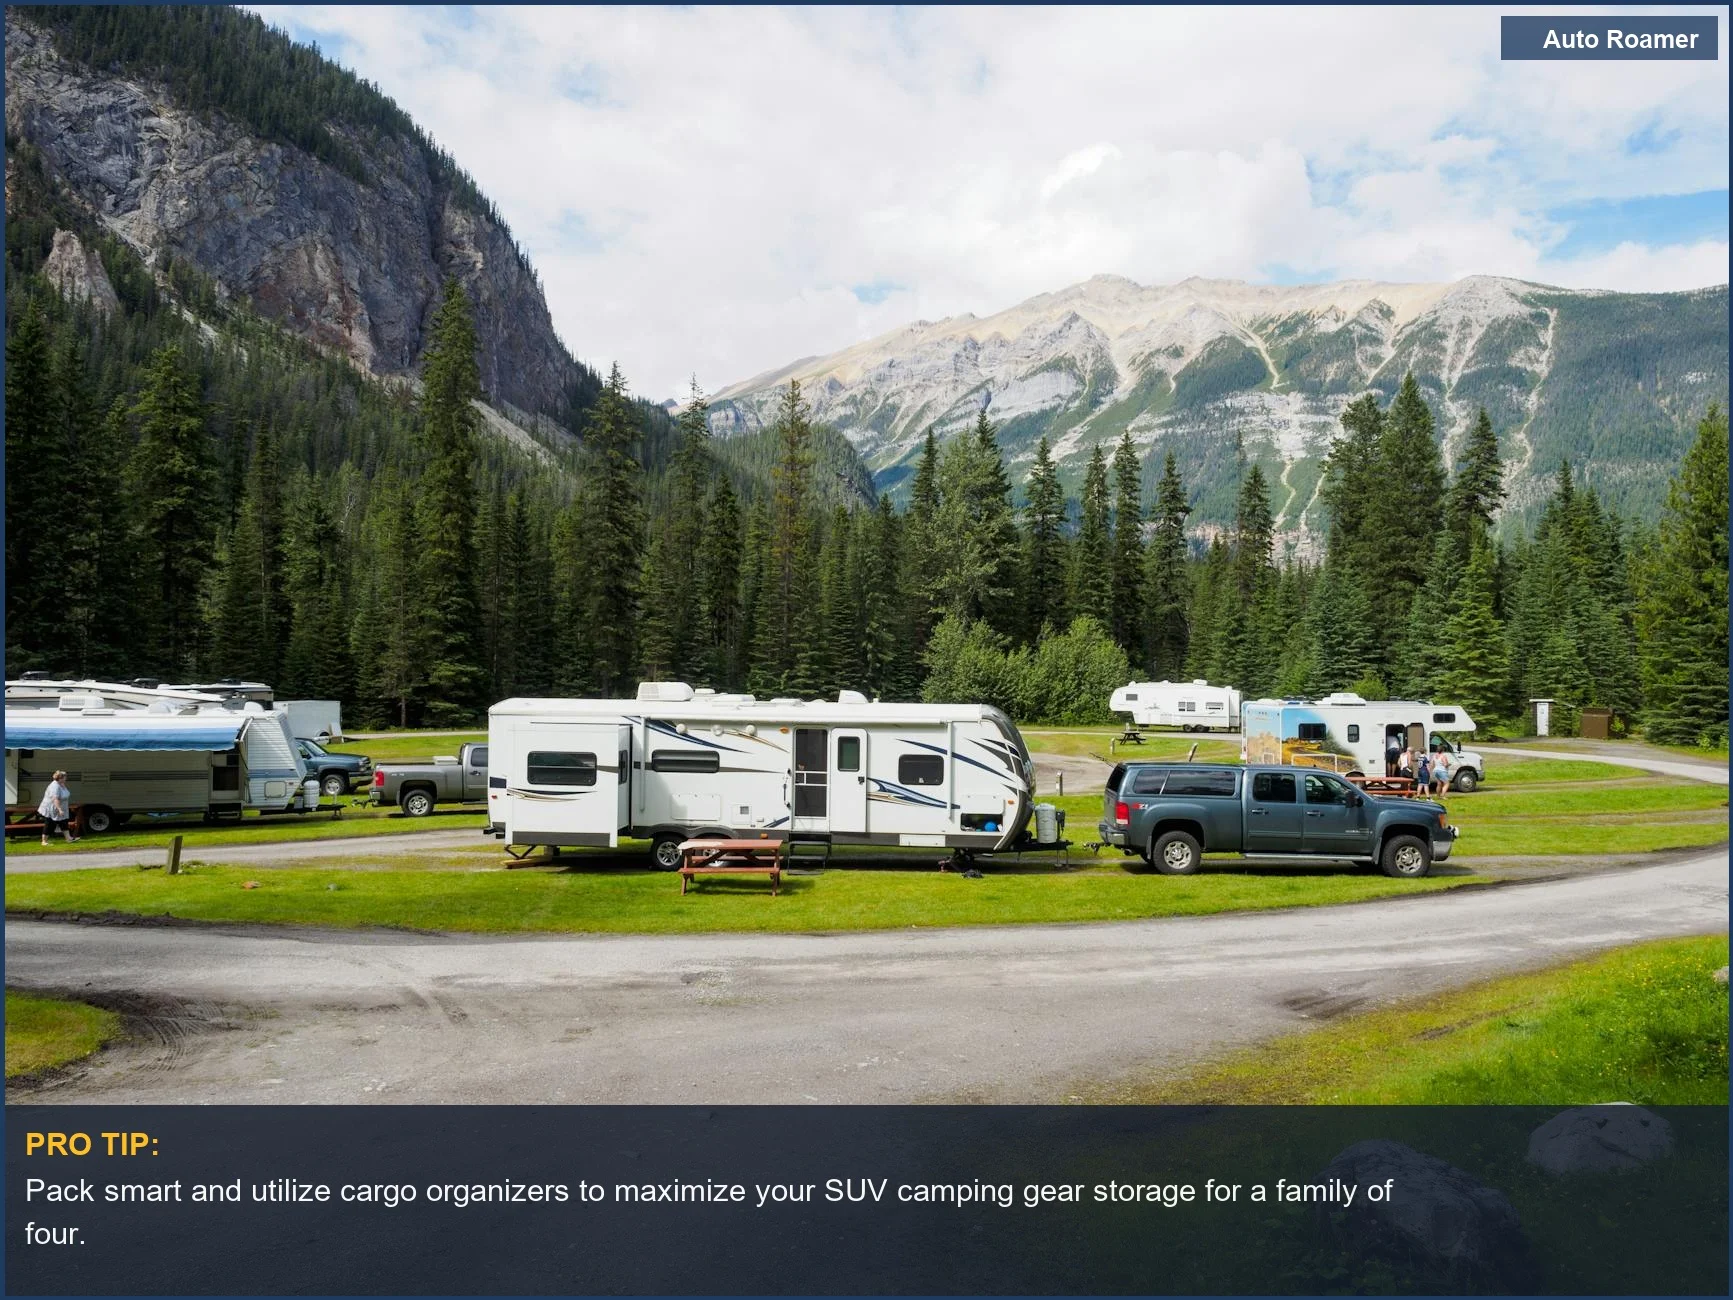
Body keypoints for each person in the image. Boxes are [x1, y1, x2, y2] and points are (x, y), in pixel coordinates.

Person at [36, 770, 77, 846]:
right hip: (52, 808)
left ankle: (68, 838)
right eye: (65, 777)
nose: (66, 778)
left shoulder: (61, 784)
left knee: (64, 822)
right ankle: (44, 841)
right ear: (60, 778)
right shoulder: (54, 786)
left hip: (61, 807)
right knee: (50, 824)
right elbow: (55, 799)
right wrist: (59, 809)